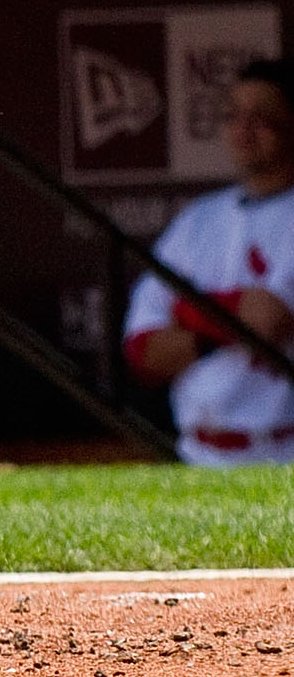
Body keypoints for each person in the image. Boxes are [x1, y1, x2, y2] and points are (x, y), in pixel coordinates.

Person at [125, 57, 294, 466]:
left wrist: (185, 313)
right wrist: (229, 317)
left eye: (263, 116)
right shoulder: (197, 222)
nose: (243, 128)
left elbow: (268, 319)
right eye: (232, 115)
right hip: (197, 453)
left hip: (283, 451)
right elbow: (142, 350)